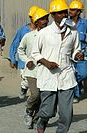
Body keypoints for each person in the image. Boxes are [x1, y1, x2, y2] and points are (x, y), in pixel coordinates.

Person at [31, 0, 84, 132]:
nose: (63, 15)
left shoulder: (73, 32)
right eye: (59, 13)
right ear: (53, 15)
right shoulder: (44, 33)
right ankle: (42, 121)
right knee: (47, 111)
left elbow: (75, 50)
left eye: (65, 12)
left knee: (66, 115)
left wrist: (78, 55)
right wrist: (46, 63)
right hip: (48, 76)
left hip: (66, 76)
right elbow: (35, 53)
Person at [18, 7, 49, 129]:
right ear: (36, 22)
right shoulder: (29, 36)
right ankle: (28, 111)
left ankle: (36, 119)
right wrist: (27, 60)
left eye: (47, 19)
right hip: (32, 71)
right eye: (42, 19)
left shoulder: (50, 36)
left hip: (46, 71)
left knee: (42, 98)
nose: (46, 21)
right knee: (35, 95)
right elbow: (20, 50)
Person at [9, 5, 38, 99]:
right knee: (27, 79)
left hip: (37, 60)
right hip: (24, 61)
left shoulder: (43, 31)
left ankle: (35, 97)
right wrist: (12, 59)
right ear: (31, 17)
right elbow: (15, 44)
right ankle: (24, 88)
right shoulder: (23, 31)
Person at [69, 0, 87, 103]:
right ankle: (75, 94)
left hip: (81, 54)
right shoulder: (65, 22)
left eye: (73, 9)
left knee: (83, 74)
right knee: (71, 74)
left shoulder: (85, 23)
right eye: (70, 9)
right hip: (69, 55)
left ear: (78, 11)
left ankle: (78, 85)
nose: (70, 11)